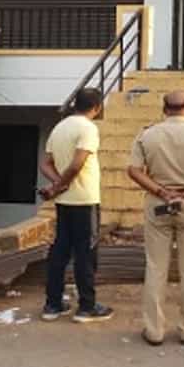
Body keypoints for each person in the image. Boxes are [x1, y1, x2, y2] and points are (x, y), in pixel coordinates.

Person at [127, 91, 184, 346]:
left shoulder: (147, 135)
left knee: (156, 268)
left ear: (164, 108)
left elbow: (134, 170)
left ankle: (154, 330)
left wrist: (161, 192)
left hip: (158, 203)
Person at [39, 88, 113, 323]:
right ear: (97, 108)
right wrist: (61, 184)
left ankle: (52, 304)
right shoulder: (88, 128)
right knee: (86, 254)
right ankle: (87, 306)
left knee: (60, 251)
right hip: (84, 199)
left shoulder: (60, 127)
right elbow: (76, 164)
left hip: (64, 201)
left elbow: (46, 163)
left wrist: (56, 185)